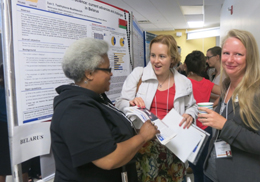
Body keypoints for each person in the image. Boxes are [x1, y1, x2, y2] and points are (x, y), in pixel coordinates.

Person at [50, 38, 159, 182]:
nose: (111, 74)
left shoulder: (95, 98)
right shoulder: (76, 109)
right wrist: (142, 137)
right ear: (89, 73)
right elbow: (109, 159)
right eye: (107, 69)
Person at [198, 29, 260, 182]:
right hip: (211, 171)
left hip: (239, 176)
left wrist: (224, 125)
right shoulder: (227, 85)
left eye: (238, 54)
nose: (230, 60)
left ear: (250, 57)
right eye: (226, 53)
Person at [116, 34, 198, 182]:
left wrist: (190, 114)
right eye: (153, 55)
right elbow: (120, 103)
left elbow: (192, 105)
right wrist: (131, 102)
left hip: (175, 146)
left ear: (172, 58)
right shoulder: (139, 74)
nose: (156, 61)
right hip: (145, 144)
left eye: (162, 56)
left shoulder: (184, 82)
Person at [183, 51, 220, 182]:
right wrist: (215, 104)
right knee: (205, 164)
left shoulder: (184, 83)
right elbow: (225, 92)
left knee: (195, 166)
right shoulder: (207, 83)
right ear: (203, 67)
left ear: (186, 66)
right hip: (206, 128)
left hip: (190, 128)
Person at [0, 64, 29, 182]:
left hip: (2, 127)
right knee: (23, 160)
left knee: (2, 163)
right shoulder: (18, 88)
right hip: (17, 126)